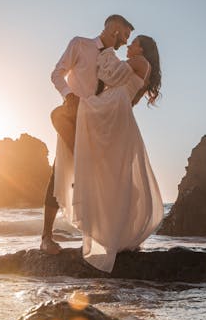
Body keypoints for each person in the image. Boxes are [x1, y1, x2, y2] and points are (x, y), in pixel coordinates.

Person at [67, 34, 163, 272]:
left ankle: (115, 233)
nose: (129, 46)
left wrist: (107, 51)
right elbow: (129, 96)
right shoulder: (141, 66)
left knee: (114, 173)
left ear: (141, 47)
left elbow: (109, 74)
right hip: (118, 109)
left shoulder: (141, 61)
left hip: (113, 108)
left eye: (133, 42)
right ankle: (118, 234)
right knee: (115, 175)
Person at [41, 14, 133, 255]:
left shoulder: (114, 61)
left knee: (99, 178)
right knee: (58, 172)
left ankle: (95, 238)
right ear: (114, 29)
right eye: (125, 34)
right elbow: (56, 74)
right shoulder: (80, 44)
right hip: (73, 115)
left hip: (97, 123)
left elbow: (124, 93)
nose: (125, 41)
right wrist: (69, 95)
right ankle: (45, 238)